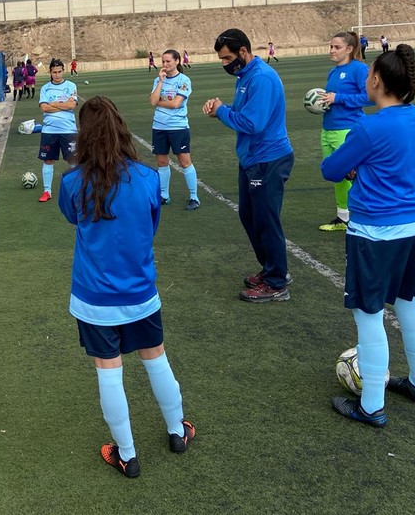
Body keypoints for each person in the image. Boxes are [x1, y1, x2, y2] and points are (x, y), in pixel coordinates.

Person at [59, 96, 194, 478]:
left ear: (82, 136)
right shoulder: (149, 178)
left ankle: (128, 454)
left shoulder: (72, 181)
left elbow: (74, 217)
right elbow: (150, 227)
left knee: (108, 371)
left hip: (94, 298)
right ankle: (176, 430)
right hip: (139, 293)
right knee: (156, 358)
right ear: (121, 128)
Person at [322, 45, 415, 427]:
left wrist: (356, 170)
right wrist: (365, 171)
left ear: (378, 81)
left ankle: (371, 405)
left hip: (376, 232)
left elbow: (331, 169)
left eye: (370, 74)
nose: (366, 78)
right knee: (407, 300)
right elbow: (400, 166)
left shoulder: (370, 125)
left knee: (368, 314)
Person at [202, 29, 294, 303]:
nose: (224, 63)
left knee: (266, 220)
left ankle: (277, 282)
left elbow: (253, 124)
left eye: (227, 57)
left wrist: (221, 111)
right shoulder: (246, 77)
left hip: (268, 159)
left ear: (243, 51)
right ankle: (271, 270)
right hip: (252, 159)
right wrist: (222, 108)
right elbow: (244, 114)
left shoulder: (262, 79)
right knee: (250, 216)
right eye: (221, 58)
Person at [318, 32, 371, 232]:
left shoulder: (359, 69)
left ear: (349, 49)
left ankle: (362, 217)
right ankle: (343, 218)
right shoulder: (333, 72)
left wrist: (338, 98)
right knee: (337, 176)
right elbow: (334, 98)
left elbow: (369, 97)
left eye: (336, 47)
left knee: (354, 176)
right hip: (328, 129)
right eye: (330, 46)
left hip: (348, 130)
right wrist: (321, 103)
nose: (332, 50)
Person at [149, 50, 200, 210]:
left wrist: (160, 102)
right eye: (163, 61)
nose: (164, 65)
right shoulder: (158, 80)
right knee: (161, 162)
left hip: (178, 127)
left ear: (177, 61)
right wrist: (161, 83)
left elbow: (176, 104)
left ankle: (194, 197)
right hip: (159, 126)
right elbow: (152, 100)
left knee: (184, 161)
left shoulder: (184, 80)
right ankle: (164, 195)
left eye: (168, 61)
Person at [37, 58, 79, 203]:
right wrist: (63, 104)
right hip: (49, 130)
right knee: (48, 160)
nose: (57, 75)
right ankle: (47, 191)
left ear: (63, 71)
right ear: (50, 72)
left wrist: (53, 104)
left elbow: (72, 106)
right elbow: (44, 108)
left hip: (68, 129)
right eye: (54, 72)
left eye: (59, 71)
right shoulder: (45, 88)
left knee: (73, 160)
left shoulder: (71, 85)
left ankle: (75, 190)